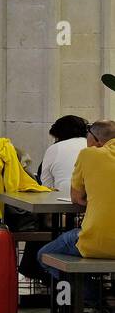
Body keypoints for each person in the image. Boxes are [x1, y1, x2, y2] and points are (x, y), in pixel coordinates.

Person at [40, 120, 115, 300]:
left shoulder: (88, 155)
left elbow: (77, 198)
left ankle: (98, 302)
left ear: (97, 140)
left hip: (98, 241)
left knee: (44, 255)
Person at [40, 114, 89, 195]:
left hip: (63, 200)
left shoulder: (55, 148)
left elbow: (46, 185)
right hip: (94, 199)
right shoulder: (94, 146)